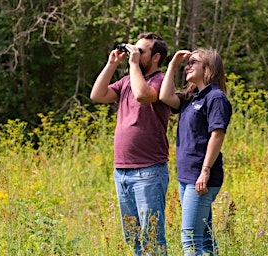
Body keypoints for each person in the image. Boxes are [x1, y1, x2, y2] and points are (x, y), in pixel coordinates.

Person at [90, 32, 170, 255]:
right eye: (133, 49)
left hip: (149, 171)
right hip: (122, 172)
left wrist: (133, 63)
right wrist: (111, 65)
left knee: (152, 237)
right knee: (132, 236)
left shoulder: (161, 81)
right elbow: (97, 95)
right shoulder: (126, 81)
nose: (134, 53)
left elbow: (143, 96)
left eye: (140, 50)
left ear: (155, 57)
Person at [159, 49, 232, 255]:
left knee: (191, 238)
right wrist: (172, 64)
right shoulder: (191, 97)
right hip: (187, 176)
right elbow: (165, 96)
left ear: (208, 68)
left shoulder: (216, 98)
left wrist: (205, 170)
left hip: (201, 177)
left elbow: (217, 135)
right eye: (187, 63)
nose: (187, 66)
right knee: (206, 239)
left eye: (193, 62)